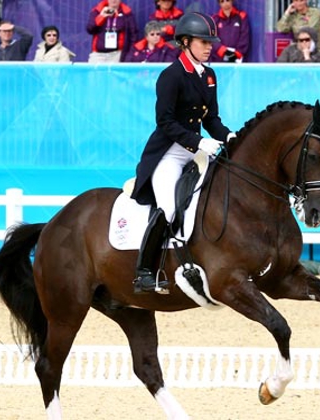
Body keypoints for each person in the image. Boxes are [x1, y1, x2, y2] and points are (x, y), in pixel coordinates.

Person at [130, 13, 234, 294]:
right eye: (203, 42)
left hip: (196, 150)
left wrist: (228, 136)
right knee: (169, 207)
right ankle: (144, 272)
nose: (209, 47)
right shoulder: (171, 76)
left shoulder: (209, 75)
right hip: (169, 154)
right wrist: (199, 142)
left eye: (211, 42)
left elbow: (211, 118)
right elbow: (165, 122)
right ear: (185, 42)